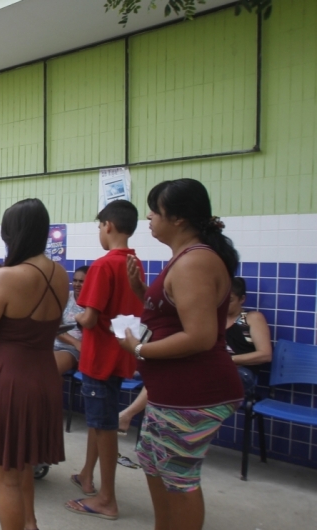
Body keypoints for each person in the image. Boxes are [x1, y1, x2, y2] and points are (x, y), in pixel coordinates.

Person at [116, 178, 243, 530]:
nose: (149, 217)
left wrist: (140, 349)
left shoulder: (194, 262)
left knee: (178, 475)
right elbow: (175, 318)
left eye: (155, 211)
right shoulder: (184, 259)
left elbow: (200, 337)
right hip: (171, 392)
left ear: (179, 220)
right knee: (154, 463)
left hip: (195, 391)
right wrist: (142, 292)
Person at [0, 198, 67, 530]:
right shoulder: (60, 274)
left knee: (6, 477)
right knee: (24, 462)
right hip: (44, 375)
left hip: (9, 380)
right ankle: (31, 523)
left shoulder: (8, 277)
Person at [65, 200, 144, 522]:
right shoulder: (134, 263)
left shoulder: (102, 266)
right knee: (101, 422)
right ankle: (87, 474)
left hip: (99, 358)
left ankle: (107, 499)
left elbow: (89, 318)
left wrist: (77, 317)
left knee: (104, 426)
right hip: (120, 355)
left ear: (108, 226)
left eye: (99, 226)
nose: (99, 232)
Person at [117, 276, 272, 433]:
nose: (223, 304)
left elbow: (264, 354)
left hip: (240, 373)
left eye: (230, 300)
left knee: (175, 375)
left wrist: (227, 359)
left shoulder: (251, 319)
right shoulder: (213, 319)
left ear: (242, 299)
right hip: (209, 368)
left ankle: (129, 414)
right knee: (166, 373)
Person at [54, 266, 88, 375]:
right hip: (53, 344)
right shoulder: (66, 297)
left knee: (49, 369)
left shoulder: (93, 304)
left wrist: (78, 344)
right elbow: (55, 326)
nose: (77, 284)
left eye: (81, 281)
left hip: (73, 350)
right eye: (75, 280)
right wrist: (76, 342)